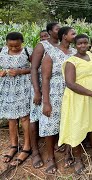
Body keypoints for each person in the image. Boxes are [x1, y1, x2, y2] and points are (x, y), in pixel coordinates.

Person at [58, 34, 92, 174]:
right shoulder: (71, 61)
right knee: (77, 126)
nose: (83, 46)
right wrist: (91, 93)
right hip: (78, 98)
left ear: (88, 44)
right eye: (80, 44)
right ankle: (78, 159)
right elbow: (70, 84)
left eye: (85, 43)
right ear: (75, 45)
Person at [40, 26, 76, 174]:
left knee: (70, 122)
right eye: (72, 33)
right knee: (51, 124)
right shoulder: (51, 53)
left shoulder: (75, 52)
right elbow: (45, 78)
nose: (75, 35)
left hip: (72, 92)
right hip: (54, 92)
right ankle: (50, 157)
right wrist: (46, 102)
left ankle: (68, 152)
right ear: (64, 36)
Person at [30, 22, 61, 169]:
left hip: (58, 90)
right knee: (37, 120)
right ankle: (36, 152)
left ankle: (56, 147)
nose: (60, 30)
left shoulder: (63, 46)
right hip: (42, 89)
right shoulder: (42, 46)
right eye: (57, 29)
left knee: (54, 119)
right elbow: (34, 69)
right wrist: (37, 91)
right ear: (49, 32)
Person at [0, 32, 32, 166]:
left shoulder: (27, 51)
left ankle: (27, 147)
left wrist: (20, 71)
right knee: (11, 118)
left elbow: (36, 68)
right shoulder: (1, 51)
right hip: (7, 88)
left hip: (23, 86)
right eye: (11, 46)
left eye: (17, 46)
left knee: (25, 117)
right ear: (6, 44)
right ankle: (14, 145)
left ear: (22, 43)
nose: (13, 49)